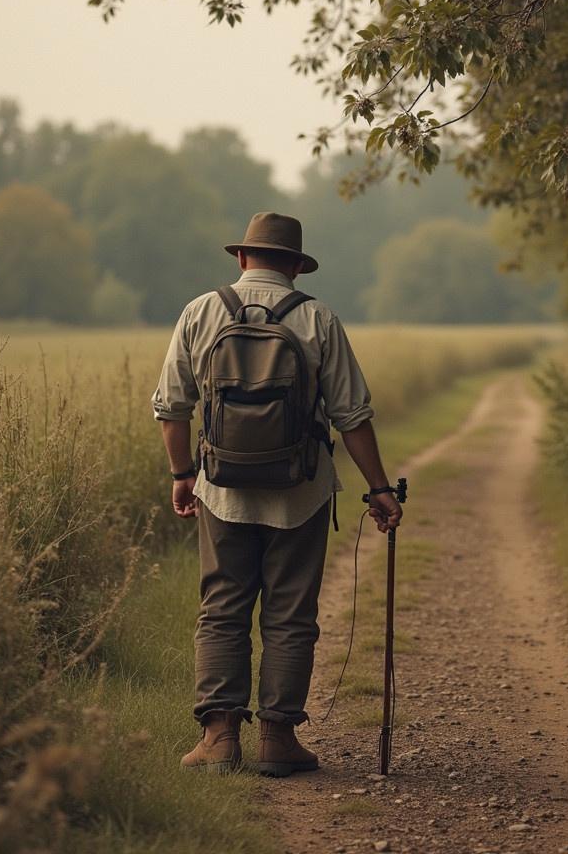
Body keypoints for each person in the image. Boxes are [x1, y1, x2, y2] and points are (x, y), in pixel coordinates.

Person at [151, 211, 403, 777]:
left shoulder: (201, 311)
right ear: (294, 264)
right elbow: (352, 416)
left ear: (242, 258)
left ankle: (219, 739)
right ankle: (277, 739)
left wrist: (181, 474)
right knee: (290, 615)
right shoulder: (318, 319)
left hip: (221, 490)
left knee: (222, 609)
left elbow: (172, 406)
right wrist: (380, 489)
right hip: (301, 492)